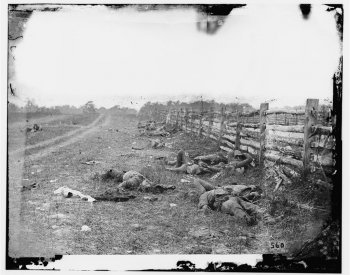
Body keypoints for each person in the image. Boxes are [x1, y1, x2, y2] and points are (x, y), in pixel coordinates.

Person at [192, 178, 275, 225]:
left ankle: (266, 217)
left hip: (235, 197)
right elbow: (205, 207)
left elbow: (196, 180)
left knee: (249, 205)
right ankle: (256, 222)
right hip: (224, 203)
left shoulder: (218, 188)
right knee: (235, 208)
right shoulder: (204, 195)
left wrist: (250, 195)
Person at [166, 149, 253, 176]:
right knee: (183, 154)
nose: (237, 157)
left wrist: (245, 155)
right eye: (236, 156)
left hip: (197, 167)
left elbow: (249, 159)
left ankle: (174, 168)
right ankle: (174, 166)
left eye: (239, 157)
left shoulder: (235, 165)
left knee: (183, 153)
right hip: (199, 166)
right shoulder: (230, 162)